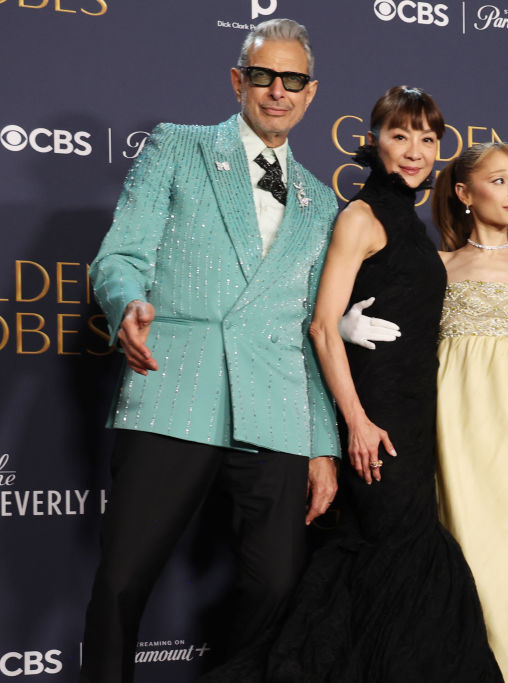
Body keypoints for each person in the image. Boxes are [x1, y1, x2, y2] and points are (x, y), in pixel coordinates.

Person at [82, 19, 339, 683]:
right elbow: (122, 254)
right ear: (238, 81)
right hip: (177, 384)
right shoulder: (179, 147)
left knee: (279, 583)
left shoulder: (323, 200)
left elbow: (316, 326)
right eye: (263, 76)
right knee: (121, 581)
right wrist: (127, 302)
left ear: (310, 94)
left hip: (277, 405)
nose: (277, 92)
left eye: (292, 81)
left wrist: (321, 442)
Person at [253, 86, 500, 682]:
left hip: (414, 419)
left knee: (387, 563)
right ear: (376, 141)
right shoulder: (361, 216)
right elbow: (320, 325)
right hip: (378, 418)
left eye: (427, 138)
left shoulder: (414, 225)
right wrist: (357, 421)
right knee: (399, 556)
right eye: (400, 135)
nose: (415, 150)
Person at [430, 142, 508, 682]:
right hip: (453, 439)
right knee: (460, 559)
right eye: (500, 180)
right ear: (464, 193)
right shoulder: (436, 269)